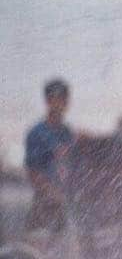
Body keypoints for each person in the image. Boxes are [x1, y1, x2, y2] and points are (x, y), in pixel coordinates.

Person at [23, 79, 75, 233]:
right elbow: (32, 171)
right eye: (55, 99)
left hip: (66, 204)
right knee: (41, 247)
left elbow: (72, 166)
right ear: (47, 101)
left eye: (63, 99)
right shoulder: (37, 132)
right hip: (44, 203)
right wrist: (52, 193)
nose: (59, 103)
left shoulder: (68, 132)